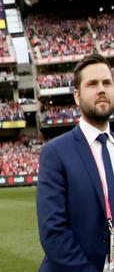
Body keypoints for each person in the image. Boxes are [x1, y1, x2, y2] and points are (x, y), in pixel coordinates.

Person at [37, 53, 114, 271]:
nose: (101, 89)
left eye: (107, 82)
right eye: (92, 84)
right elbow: (53, 232)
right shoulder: (55, 153)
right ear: (77, 96)